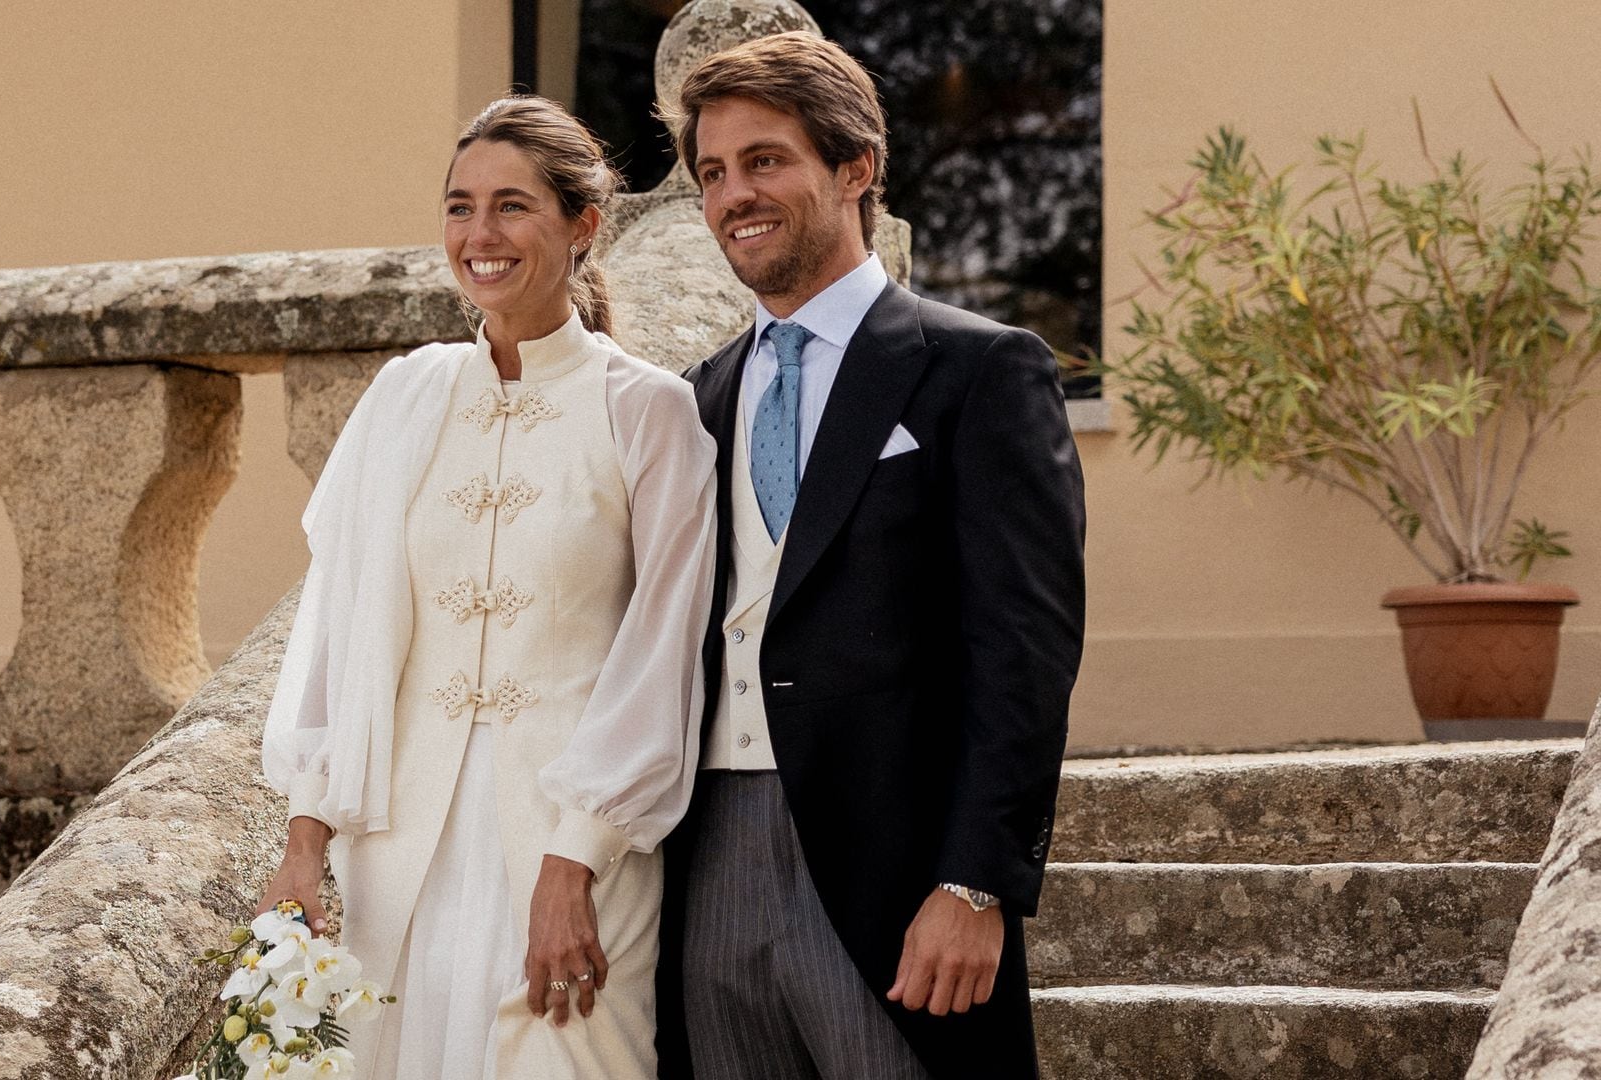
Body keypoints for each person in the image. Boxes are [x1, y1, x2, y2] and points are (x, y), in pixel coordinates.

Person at [256, 95, 717, 1080]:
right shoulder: (404, 397)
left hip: (575, 851)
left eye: (512, 206)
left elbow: (664, 654)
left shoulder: (650, 413)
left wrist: (577, 856)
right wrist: (304, 842)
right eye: (460, 206)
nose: (480, 234)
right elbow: (339, 628)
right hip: (396, 852)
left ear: (582, 226)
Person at [655, 31, 1087, 1080]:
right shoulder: (693, 398)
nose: (733, 196)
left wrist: (978, 883)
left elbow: (1024, 647)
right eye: (713, 173)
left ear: (856, 169)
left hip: (891, 865)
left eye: (766, 160)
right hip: (708, 854)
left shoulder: (979, 370)